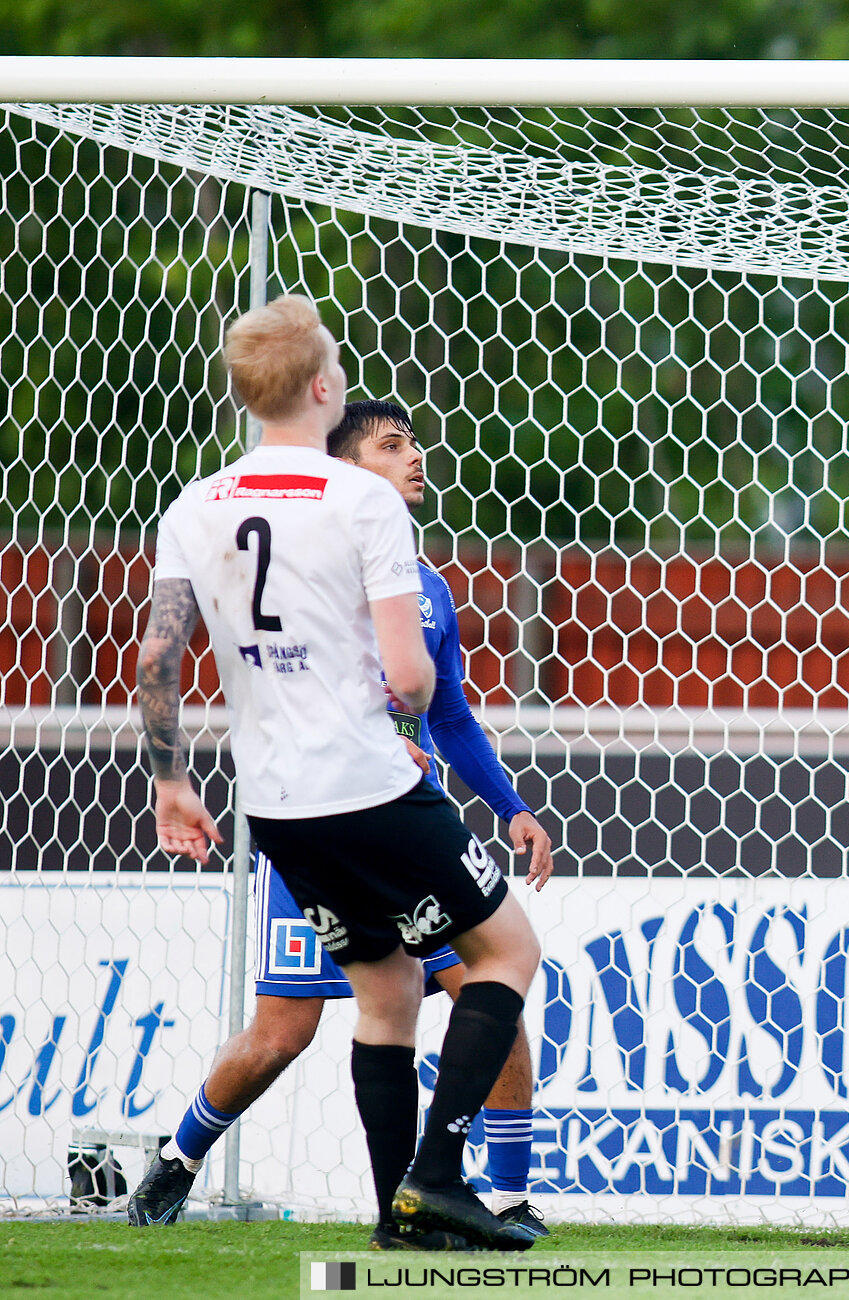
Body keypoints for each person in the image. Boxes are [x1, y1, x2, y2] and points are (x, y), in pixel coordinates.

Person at [133, 294, 543, 1248]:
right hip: (373, 786)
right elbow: (411, 677)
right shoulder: (360, 503)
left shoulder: (194, 507)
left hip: (274, 807)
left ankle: (397, 1219)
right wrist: (400, 710)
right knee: (509, 954)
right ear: (324, 388)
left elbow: (158, 662)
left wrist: (170, 782)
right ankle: (439, 1177)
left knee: (387, 993)